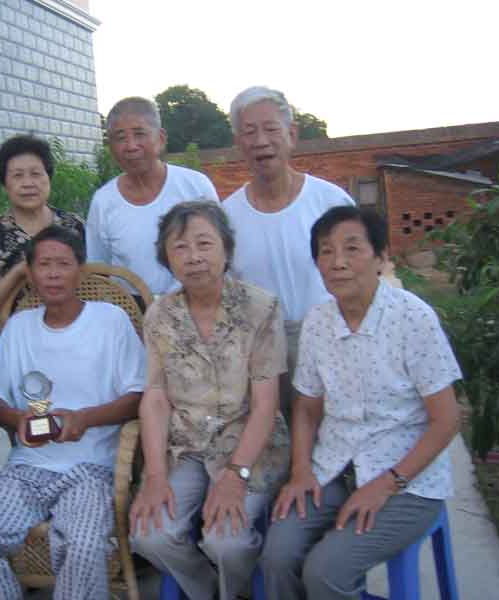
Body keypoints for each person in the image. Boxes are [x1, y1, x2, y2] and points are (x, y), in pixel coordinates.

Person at [260, 206, 462, 600]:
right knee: (276, 556)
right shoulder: (318, 322)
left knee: (326, 572)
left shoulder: (413, 319)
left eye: (352, 248)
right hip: (334, 467)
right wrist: (301, 470)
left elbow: (447, 420)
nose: (337, 262)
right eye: (326, 251)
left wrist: (387, 484)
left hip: (408, 479)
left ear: (381, 257)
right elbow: (307, 407)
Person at [0, 225, 145, 600]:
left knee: (83, 545)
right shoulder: (18, 327)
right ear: (30, 274)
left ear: (79, 270)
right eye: (44, 265)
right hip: (27, 469)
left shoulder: (111, 320)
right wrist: (17, 420)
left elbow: (139, 395)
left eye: (63, 264)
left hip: (92, 469)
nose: (53, 274)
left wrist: (85, 418)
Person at [129, 201, 290, 600]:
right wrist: (155, 475)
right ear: (166, 258)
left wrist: (236, 475)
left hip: (247, 445)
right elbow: (155, 397)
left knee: (226, 543)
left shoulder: (260, 308)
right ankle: (208, 590)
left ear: (226, 249)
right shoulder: (160, 315)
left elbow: (266, 404)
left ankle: (236, 587)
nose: (194, 257)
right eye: (180, 247)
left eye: (204, 243)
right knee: (148, 535)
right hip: (185, 447)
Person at [221, 86, 354, 420]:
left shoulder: (330, 202)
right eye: (249, 132)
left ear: (292, 135)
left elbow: (364, 276)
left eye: (270, 129)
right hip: (262, 353)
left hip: (333, 340)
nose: (260, 141)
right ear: (238, 143)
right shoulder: (226, 217)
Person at [86, 97, 219, 297]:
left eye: (139, 134)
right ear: (111, 146)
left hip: (195, 303)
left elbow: (222, 252)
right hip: (132, 310)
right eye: (120, 138)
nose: (131, 146)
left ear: (161, 139)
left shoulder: (195, 186)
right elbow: (97, 270)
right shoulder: (103, 201)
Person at [0, 134, 85, 350]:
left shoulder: (74, 227)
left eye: (36, 174)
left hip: (75, 342)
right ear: (4, 184)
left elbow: (94, 287)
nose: (28, 183)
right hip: (12, 349)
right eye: (17, 175)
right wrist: (18, 272)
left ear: (49, 177)